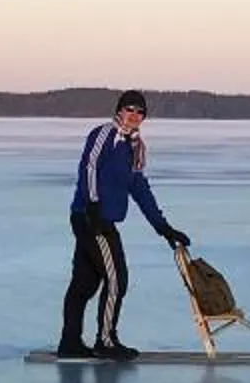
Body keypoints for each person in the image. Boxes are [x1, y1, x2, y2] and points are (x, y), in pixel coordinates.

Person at [58, 90, 190, 360]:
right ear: (119, 110)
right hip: (89, 217)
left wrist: (163, 227)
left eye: (140, 112)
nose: (134, 115)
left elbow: (140, 189)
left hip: (103, 219)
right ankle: (105, 341)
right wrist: (93, 205)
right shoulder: (104, 134)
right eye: (130, 109)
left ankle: (70, 342)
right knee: (117, 279)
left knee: (84, 283)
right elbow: (89, 167)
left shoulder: (136, 147)